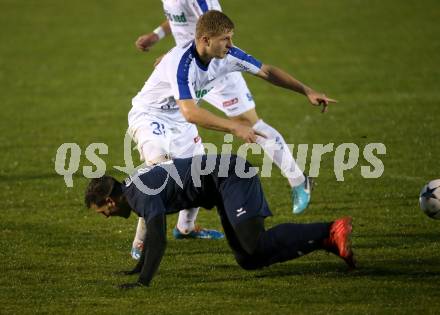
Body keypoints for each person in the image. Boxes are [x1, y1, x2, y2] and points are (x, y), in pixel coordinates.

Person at [128, 10, 336, 259]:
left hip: (179, 120)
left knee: (195, 174)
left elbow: (267, 71)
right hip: (151, 116)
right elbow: (191, 113)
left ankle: (185, 228)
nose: (231, 44)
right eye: (225, 39)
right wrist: (234, 126)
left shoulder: (226, 56)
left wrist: (307, 90)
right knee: (159, 172)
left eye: (231, 37)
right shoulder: (181, 63)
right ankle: (141, 243)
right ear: (205, 40)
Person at [84, 154, 355, 288]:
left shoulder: (140, 195)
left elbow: (158, 240)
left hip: (232, 176)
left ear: (109, 201)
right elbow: (153, 238)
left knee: (255, 242)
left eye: (101, 212)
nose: (106, 217)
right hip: (221, 184)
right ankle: (326, 240)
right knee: (249, 259)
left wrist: (142, 281)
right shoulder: (134, 189)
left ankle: (330, 229)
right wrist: (136, 269)